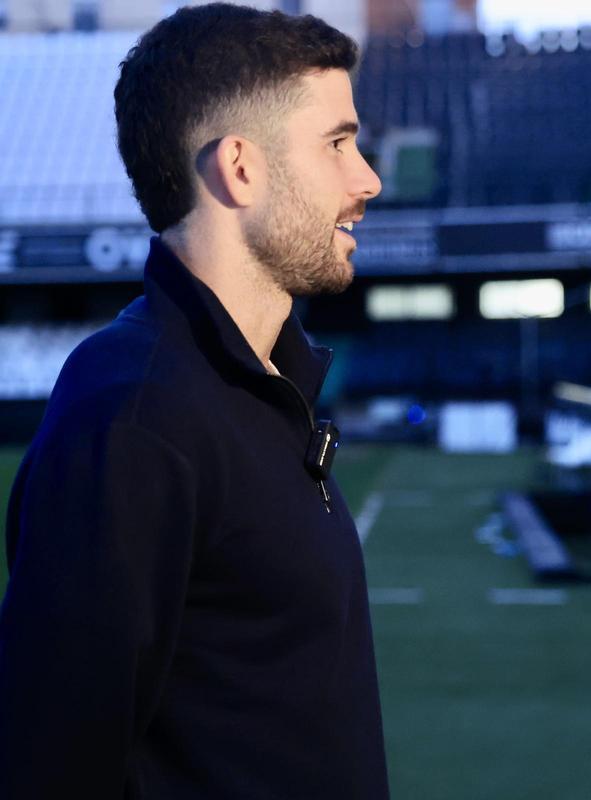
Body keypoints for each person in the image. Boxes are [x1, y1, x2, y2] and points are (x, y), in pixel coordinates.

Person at [0, 5, 387, 798]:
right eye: (337, 143)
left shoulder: (266, 387)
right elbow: (49, 761)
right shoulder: (134, 414)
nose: (368, 180)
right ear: (240, 167)